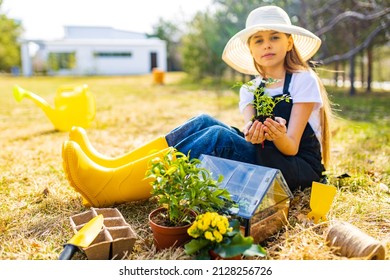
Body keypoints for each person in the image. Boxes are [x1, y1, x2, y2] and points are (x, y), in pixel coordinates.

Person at [62, 5, 332, 208]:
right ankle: (112, 167)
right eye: (258, 40)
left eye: (275, 37)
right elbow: (251, 133)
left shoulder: (302, 80)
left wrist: (279, 135)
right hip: (267, 155)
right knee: (203, 121)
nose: (267, 45)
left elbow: (292, 146)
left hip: (296, 167)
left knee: (218, 138)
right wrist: (253, 133)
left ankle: (112, 187)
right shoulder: (252, 89)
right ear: (251, 49)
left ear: (289, 41)